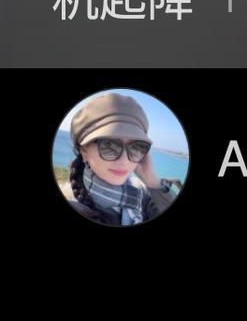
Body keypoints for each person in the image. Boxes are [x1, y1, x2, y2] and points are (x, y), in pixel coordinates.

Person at [64, 92, 181, 226]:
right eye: (109, 144)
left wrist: (152, 181)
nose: (125, 160)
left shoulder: (141, 195)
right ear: (83, 150)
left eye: (136, 146)